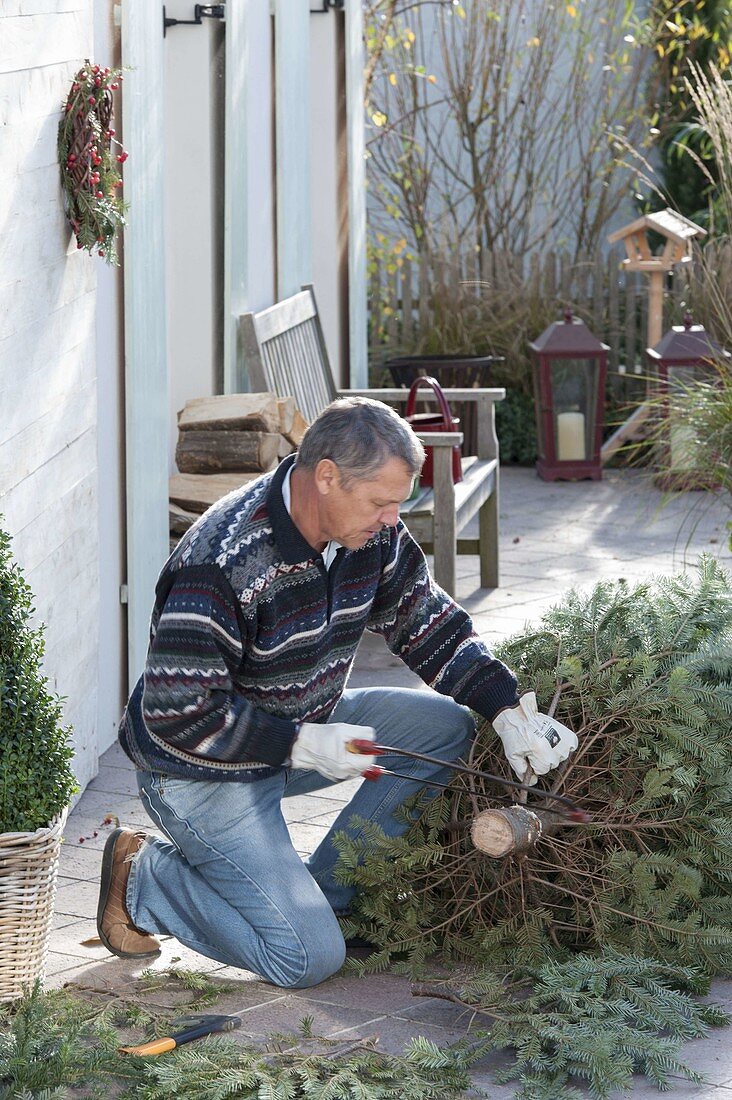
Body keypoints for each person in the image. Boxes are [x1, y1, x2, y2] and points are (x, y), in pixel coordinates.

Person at [97, 397, 577, 988]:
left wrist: (505, 706)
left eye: (398, 502)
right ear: (326, 477)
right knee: (305, 959)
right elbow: (181, 714)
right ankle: (144, 878)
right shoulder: (222, 562)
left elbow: (422, 618)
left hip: (306, 730)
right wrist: (298, 745)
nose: (391, 518)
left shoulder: (372, 536)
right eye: (381, 502)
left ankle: (327, 896)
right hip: (200, 769)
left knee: (445, 727)